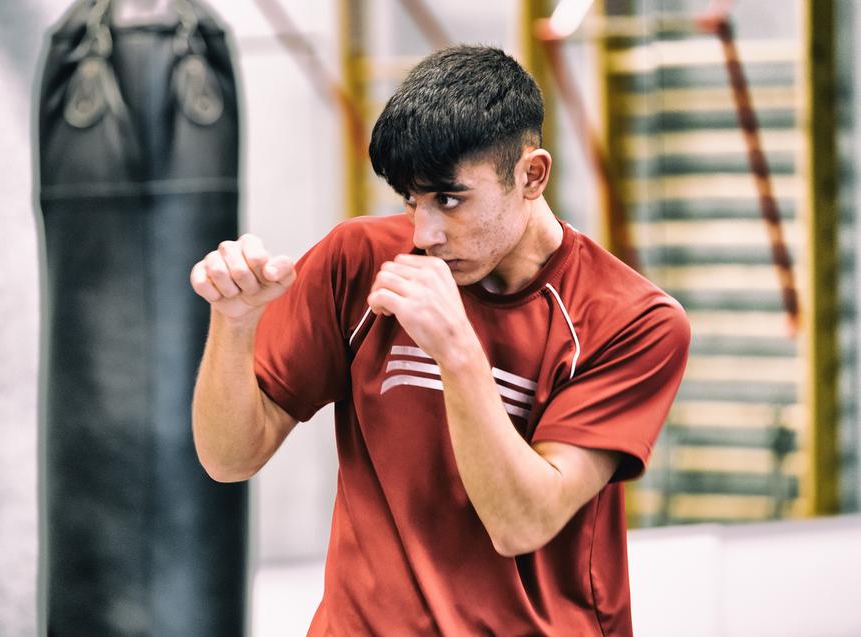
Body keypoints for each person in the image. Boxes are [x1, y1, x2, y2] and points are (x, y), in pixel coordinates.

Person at [190, 45, 690, 636]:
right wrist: (235, 322)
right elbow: (228, 459)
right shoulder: (358, 261)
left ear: (532, 175)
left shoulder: (632, 321)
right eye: (412, 201)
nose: (425, 233)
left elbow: (521, 523)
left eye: (449, 200)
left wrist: (456, 349)